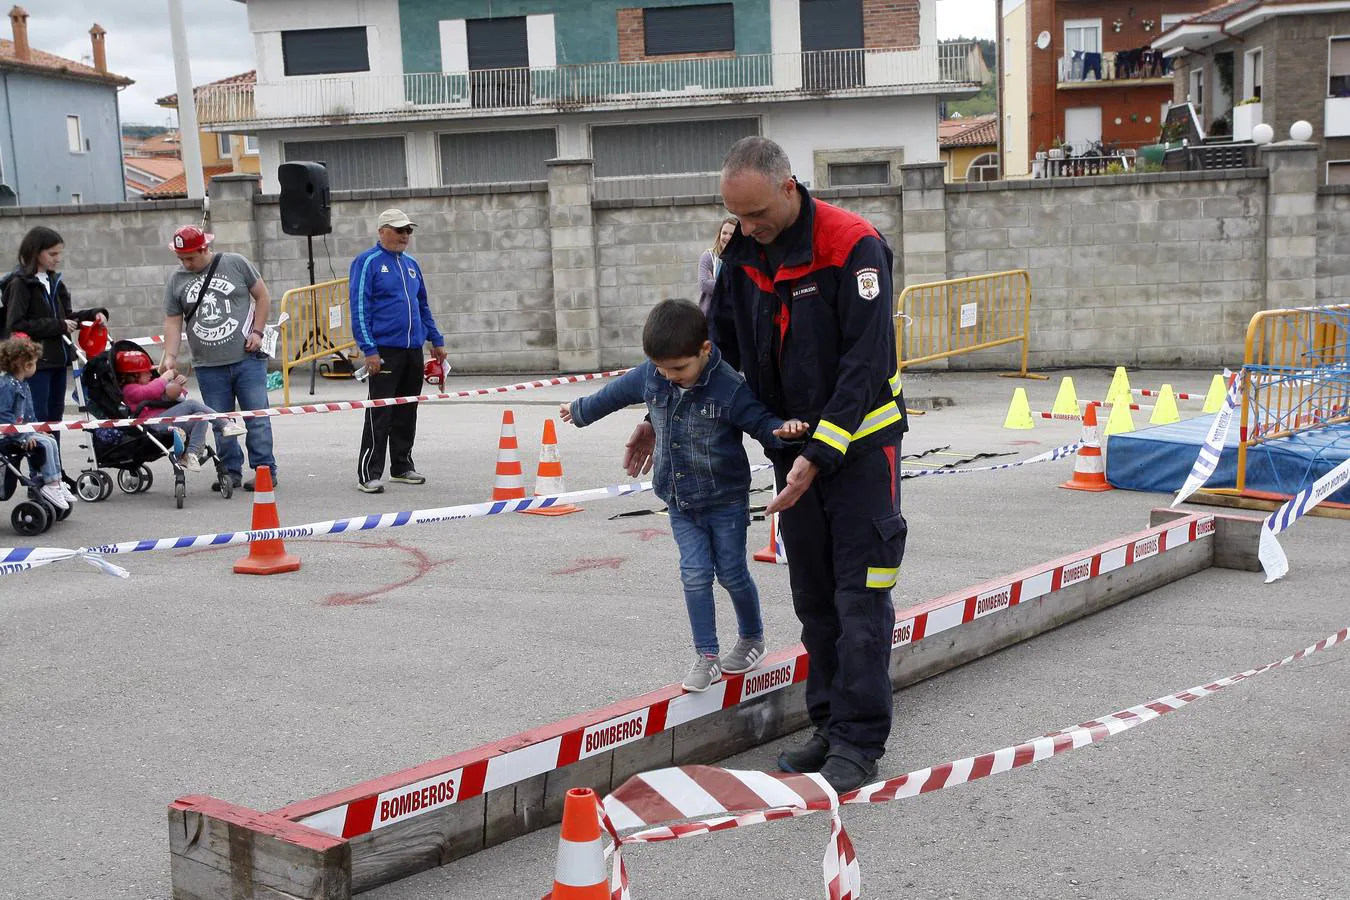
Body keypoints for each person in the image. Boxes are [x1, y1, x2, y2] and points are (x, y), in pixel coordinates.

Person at [626, 137, 908, 792]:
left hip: (861, 447)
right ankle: (828, 724)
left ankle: (860, 743)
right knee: (813, 598)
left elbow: (865, 365)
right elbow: (709, 351)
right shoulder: (740, 252)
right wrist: (657, 414)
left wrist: (821, 451)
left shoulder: (852, 245)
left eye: (755, 214)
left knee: (860, 596)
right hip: (792, 453)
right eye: (736, 216)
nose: (745, 228)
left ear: (789, 188)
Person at [562, 299, 807, 692]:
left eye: (678, 368)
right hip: (679, 501)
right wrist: (580, 410)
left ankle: (751, 639)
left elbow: (760, 421)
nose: (668, 376)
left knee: (731, 573)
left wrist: (783, 429)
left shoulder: (728, 385)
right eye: (661, 368)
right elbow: (615, 393)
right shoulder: (653, 376)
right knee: (694, 576)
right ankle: (706, 656)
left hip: (725, 500)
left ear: (705, 350)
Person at [160, 225, 277, 492]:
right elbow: (173, 320)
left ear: (204, 248)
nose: (186, 263)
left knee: (256, 417)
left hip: (247, 359)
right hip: (208, 366)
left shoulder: (235, 263)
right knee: (220, 422)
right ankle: (230, 471)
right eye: (181, 258)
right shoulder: (177, 279)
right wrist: (171, 356)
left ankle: (264, 470)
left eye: (190, 257)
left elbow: (262, 296)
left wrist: (257, 332)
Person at [349, 208, 448, 494]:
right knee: (380, 412)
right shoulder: (367, 262)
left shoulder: (411, 264)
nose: (405, 235)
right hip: (384, 350)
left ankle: (402, 466)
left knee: (407, 410)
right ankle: (369, 472)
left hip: (412, 349)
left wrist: (436, 339)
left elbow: (423, 305)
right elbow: (359, 308)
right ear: (382, 231)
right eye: (399, 230)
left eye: (409, 231)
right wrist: (369, 350)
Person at [3, 226, 109, 457]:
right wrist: (58, 326)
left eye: (59, 254)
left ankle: (56, 472)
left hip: (59, 360)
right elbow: (17, 324)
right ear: (35, 252)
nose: (57, 259)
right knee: (38, 420)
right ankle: (41, 476)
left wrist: (94, 315)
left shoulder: (55, 281)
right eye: (52, 254)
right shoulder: (21, 284)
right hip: (34, 364)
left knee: (54, 420)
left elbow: (66, 317)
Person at [115, 348, 247, 472]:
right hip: (152, 424)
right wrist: (164, 377)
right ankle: (224, 423)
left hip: (164, 419)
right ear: (134, 375)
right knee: (191, 404)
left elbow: (176, 397)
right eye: (146, 372)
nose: (150, 374)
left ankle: (191, 454)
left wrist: (176, 386)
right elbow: (150, 391)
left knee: (200, 416)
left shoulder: (149, 384)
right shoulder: (129, 389)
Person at [0, 336, 74, 510]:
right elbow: (3, 416)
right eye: (34, 363)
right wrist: (24, 436)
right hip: (8, 435)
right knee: (45, 445)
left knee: (50, 440)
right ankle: (51, 484)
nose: (36, 366)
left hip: (21, 432)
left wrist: (37, 430)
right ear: (24, 365)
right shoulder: (6, 386)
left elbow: (28, 414)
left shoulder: (22, 384)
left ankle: (56, 481)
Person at [697, 216, 738, 316]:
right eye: (724, 233)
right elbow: (704, 284)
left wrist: (715, 283)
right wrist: (731, 286)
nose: (727, 237)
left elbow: (744, 288)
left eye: (731, 234)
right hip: (711, 315)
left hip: (735, 316)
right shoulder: (708, 257)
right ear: (719, 235)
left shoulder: (742, 259)